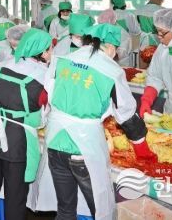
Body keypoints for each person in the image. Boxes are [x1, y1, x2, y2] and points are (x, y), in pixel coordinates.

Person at [44, 23, 157, 220]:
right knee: (100, 209)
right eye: (116, 49)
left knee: (65, 209)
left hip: (54, 142)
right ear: (111, 46)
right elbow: (126, 113)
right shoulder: (110, 70)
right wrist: (141, 148)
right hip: (83, 147)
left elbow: (49, 95)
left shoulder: (63, 60)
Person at [0, 29, 51, 219]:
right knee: (15, 197)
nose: (52, 53)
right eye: (50, 49)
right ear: (42, 52)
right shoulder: (45, 78)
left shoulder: (5, 65)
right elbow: (43, 112)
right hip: (16, 141)